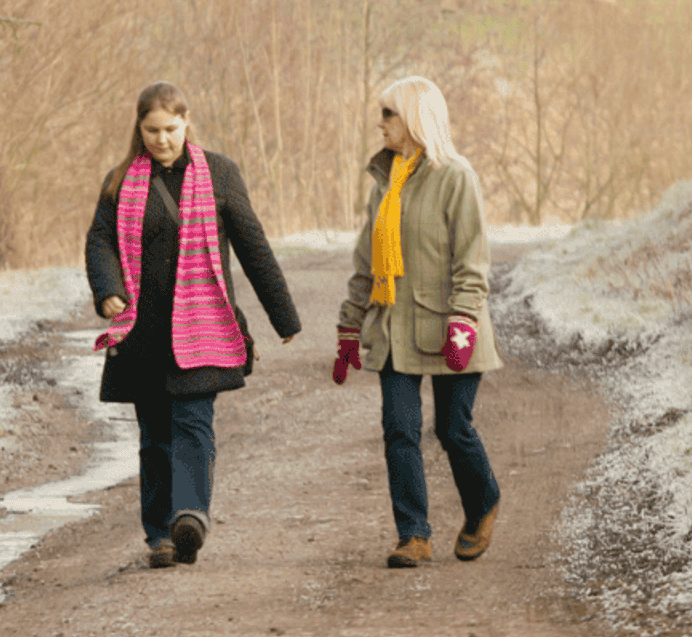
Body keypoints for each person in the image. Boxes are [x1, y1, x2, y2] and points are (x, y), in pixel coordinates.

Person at [85, 81, 301, 569]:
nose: (161, 139)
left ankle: (190, 517)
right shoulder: (119, 181)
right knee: (155, 434)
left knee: (193, 424)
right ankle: (159, 534)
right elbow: (99, 242)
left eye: (170, 128)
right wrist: (107, 289)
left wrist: (281, 315)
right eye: (151, 130)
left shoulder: (220, 174)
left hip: (204, 325)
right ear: (139, 129)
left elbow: (253, 245)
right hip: (143, 330)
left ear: (187, 122)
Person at [332, 75, 503, 568]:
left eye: (389, 114)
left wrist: (464, 321)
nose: (380, 123)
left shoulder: (456, 176)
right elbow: (366, 264)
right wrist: (349, 326)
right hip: (393, 330)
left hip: (451, 326)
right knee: (399, 429)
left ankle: (483, 501)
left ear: (414, 118)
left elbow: (472, 261)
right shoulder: (385, 182)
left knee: (453, 430)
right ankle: (414, 534)